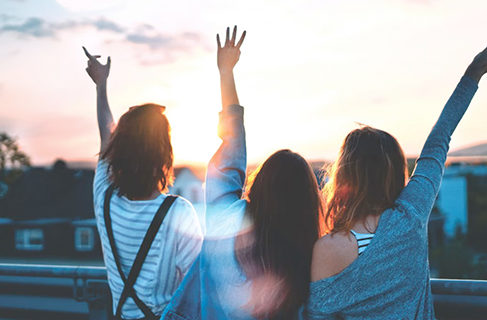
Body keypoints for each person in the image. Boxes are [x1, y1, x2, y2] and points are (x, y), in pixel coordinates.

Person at [308, 27, 487, 319]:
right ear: (394, 172)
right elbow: (438, 142)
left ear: (344, 175)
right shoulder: (410, 216)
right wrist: (472, 75)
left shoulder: (326, 248)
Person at [162, 26, 324, 320]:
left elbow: (232, 146)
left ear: (260, 184)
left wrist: (226, 72)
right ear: (307, 202)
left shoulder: (227, 219)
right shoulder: (310, 259)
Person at [84, 47, 204, 320]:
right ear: (164, 154)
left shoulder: (104, 197)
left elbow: (106, 136)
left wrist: (101, 85)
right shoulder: (178, 213)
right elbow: (197, 288)